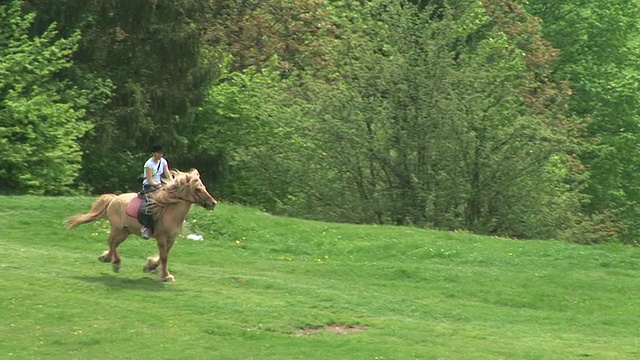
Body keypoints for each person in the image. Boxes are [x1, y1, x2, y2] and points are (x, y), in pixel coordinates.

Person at [140, 144, 174, 238]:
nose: (160, 155)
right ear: (154, 153)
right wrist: (159, 185)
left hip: (160, 185)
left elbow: (167, 174)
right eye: (158, 153)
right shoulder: (149, 164)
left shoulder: (163, 161)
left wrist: (172, 183)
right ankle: (146, 227)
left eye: (161, 153)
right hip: (149, 186)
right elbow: (150, 180)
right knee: (149, 204)